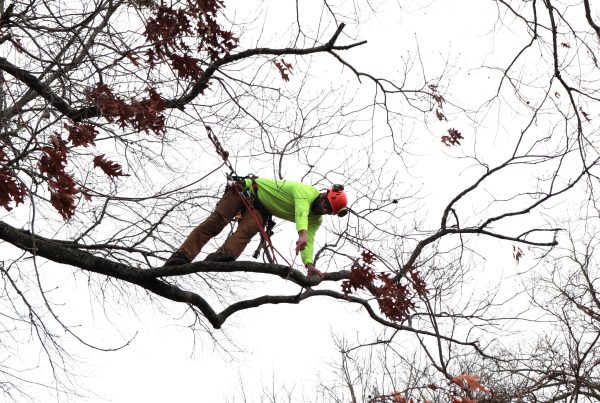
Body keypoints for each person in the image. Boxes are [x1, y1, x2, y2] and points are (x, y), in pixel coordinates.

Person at [163, 177, 348, 280]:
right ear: (324, 194)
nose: (323, 210)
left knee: (246, 231)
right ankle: (182, 256)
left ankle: (222, 258)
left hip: (260, 209)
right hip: (248, 190)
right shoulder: (305, 192)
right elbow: (301, 212)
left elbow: (310, 239)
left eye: (328, 212)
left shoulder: (316, 219)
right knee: (217, 222)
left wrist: (309, 265)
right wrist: (302, 233)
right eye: (325, 205)